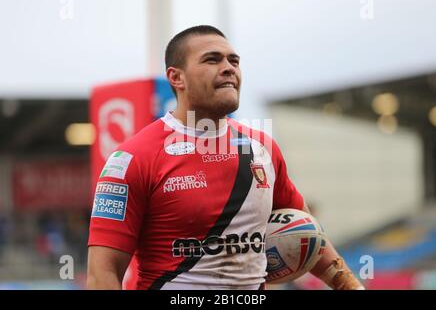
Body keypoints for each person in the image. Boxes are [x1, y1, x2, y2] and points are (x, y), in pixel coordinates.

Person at [87, 25, 363, 290]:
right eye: (212, 60)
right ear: (176, 77)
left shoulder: (261, 147)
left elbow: (308, 233)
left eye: (234, 60)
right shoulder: (133, 158)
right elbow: (103, 274)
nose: (229, 67)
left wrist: (351, 286)